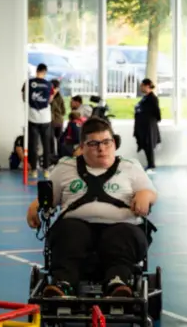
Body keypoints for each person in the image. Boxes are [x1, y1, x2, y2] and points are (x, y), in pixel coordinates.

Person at [27, 118, 157, 298]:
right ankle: (63, 283)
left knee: (122, 235)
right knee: (69, 231)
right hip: (76, 229)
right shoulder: (66, 167)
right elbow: (47, 197)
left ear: (114, 143)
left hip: (122, 228)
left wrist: (144, 195)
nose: (101, 148)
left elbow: (150, 192)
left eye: (106, 142)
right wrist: (35, 206)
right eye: (94, 144)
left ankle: (118, 282)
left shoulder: (130, 166)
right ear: (82, 147)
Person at [23, 63, 53, 176]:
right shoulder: (49, 84)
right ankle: (46, 170)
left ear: (37, 71)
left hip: (33, 118)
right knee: (46, 145)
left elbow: (23, 97)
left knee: (33, 145)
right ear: (45, 72)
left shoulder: (28, 83)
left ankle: (34, 170)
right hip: (45, 119)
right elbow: (50, 100)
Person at [133, 79, 161, 170]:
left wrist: (150, 120)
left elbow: (157, 112)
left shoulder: (152, 98)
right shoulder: (145, 98)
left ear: (147, 86)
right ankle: (150, 163)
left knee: (148, 145)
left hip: (148, 126)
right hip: (143, 125)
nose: (140, 87)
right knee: (145, 145)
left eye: (142, 85)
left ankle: (151, 164)